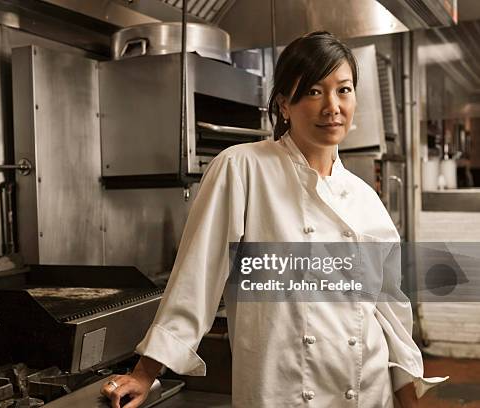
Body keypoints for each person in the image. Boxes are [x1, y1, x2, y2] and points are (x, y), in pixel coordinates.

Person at [101, 31, 447, 408]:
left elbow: (389, 312)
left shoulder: (365, 197)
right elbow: (196, 277)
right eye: (314, 91)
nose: (332, 106)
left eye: (343, 90)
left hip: (367, 393)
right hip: (284, 396)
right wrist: (145, 372)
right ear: (284, 104)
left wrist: (410, 401)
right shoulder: (243, 168)